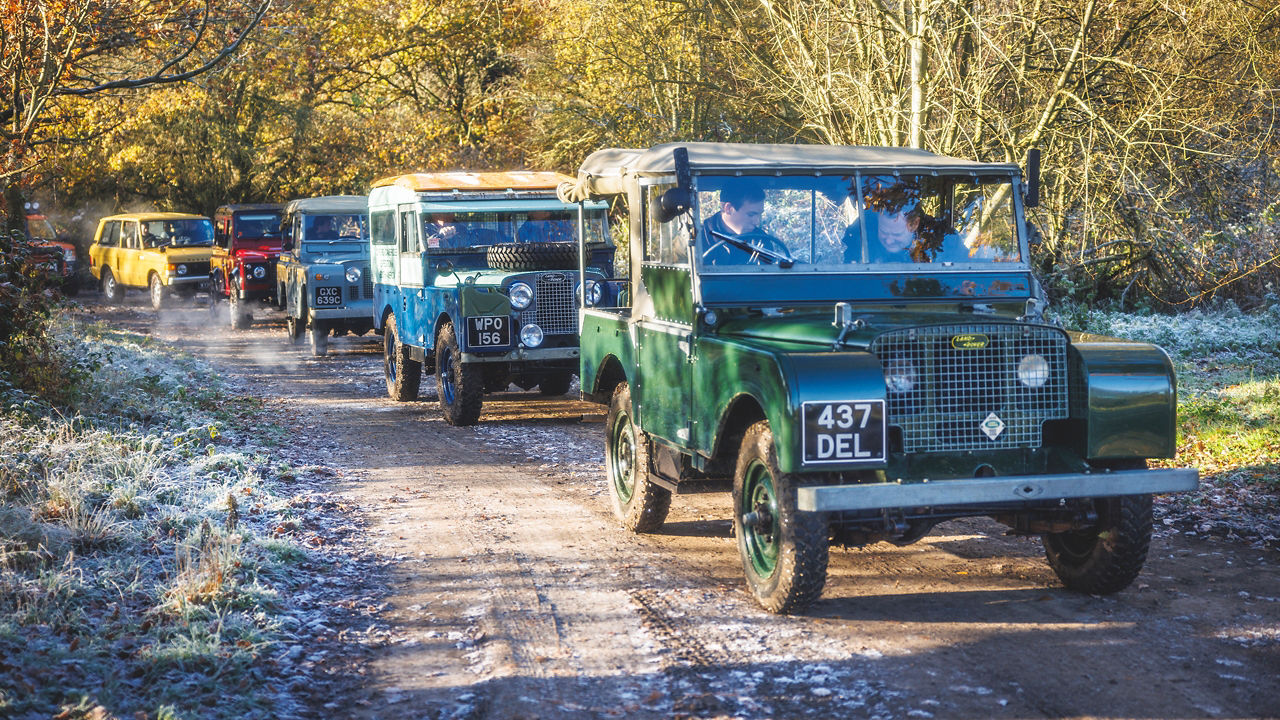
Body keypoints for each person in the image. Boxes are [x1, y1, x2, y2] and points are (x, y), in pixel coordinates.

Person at [700, 180, 791, 266]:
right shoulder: (699, 239)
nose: (757, 222)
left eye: (759, 215)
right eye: (751, 215)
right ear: (728, 208)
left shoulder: (761, 240)